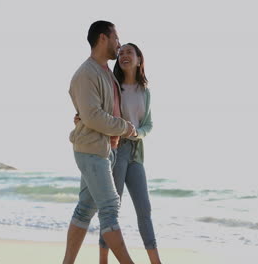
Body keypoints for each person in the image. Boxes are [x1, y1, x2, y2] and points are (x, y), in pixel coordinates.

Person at [75, 43, 162, 264]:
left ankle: (156, 261)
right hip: (115, 149)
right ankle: (103, 259)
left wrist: (138, 134)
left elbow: (149, 124)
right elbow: (96, 111)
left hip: (136, 153)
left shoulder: (146, 92)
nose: (123, 55)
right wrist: (81, 118)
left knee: (144, 209)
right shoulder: (113, 86)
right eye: (120, 52)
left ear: (139, 59)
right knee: (112, 208)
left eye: (128, 52)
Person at [62, 21, 136, 264]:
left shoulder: (106, 73)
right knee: (110, 209)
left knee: (85, 209)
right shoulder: (86, 73)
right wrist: (125, 127)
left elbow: (97, 112)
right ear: (103, 38)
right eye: (116, 39)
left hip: (106, 149)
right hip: (91, 149)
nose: (119, 44)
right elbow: (93, 116)